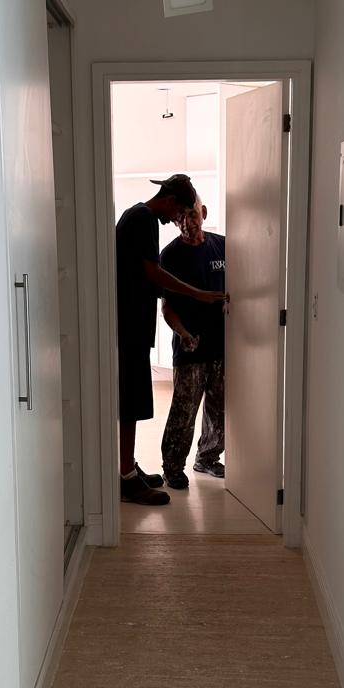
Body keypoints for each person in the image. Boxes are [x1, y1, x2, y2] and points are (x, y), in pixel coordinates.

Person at [116, 175, 227, 506]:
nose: (179, 220)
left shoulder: (140, 217)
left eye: (189, 214)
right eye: (180, 212)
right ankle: (127, 478)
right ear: (171, 200)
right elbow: (153, 274)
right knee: (132, 403)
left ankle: (128, 468)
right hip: (130, 327)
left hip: (134, 326)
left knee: (133, 402)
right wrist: (199, 295)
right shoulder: (144, 219)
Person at [159, 197, 226, 489]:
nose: (187, 223)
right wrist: (183, 333)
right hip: (191, 346)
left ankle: (208, 458)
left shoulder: (224, 246)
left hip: (223, 345)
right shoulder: (170, 256)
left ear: (204, 212)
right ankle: (173, 467)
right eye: (180, 218)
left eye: (192, 215)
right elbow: (166, 307)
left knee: (219, 407)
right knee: (184, 410)